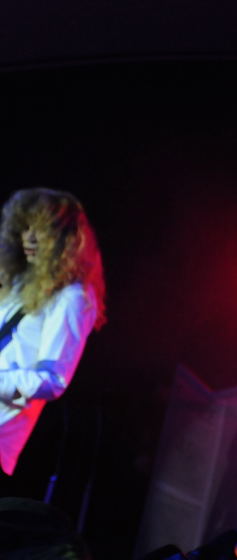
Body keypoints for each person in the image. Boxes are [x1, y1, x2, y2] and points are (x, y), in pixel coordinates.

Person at [0, 188, 106, 483]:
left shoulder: (73, 297)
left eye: (40, 229)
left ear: (65, 238)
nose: (29, 237)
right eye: (25, 226)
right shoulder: (16, 284)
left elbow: (53, 382)